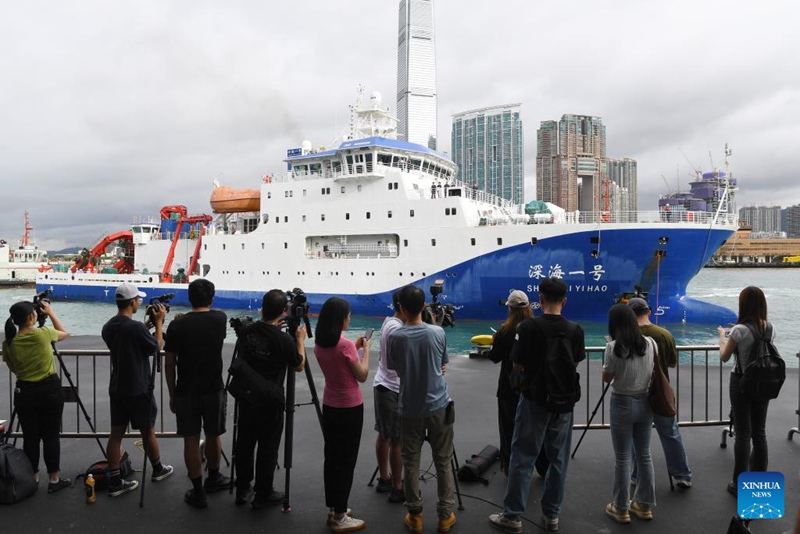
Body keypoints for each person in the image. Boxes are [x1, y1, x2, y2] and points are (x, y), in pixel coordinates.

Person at [489, 277, 585, 533]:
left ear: (540, 300)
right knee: (558, 459)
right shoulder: (576, 329)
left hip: (534, 400)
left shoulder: (528, 327)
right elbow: (575, 363)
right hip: (564, 403)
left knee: (522, 456)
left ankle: (512, 516)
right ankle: (552, 515)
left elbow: (517, 365)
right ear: (564, 300)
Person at [388, 284, 456, 534]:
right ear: (424, 306)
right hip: (439, 404)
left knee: (411, 463)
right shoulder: (438, 333)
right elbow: (442, 364)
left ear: (401, 309)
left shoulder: (395, 337)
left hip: (409, 408)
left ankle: (415, 516)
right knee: (443, 462)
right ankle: (445, 516)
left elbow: (395, 369)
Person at [233, 289, 306, 508]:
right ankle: (263, 492)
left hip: (246, 396)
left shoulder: (246, 332)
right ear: (284, 312)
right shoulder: (283, 339)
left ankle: (242, 487)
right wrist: (299, 340)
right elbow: (299, 365)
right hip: (270, 398)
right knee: (267, 446)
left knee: (245, 443)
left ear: (262, 308)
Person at [102, 283, 174, 497]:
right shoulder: (135, 328)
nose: (140, 302)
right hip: (139, 387)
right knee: (147, 431)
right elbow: (157, 346)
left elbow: (128, 339)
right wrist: (159, 323)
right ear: (132, 302)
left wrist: (147, 326)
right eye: (138, 300)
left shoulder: (108, 327)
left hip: (117, 387)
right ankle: (158, 469)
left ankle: (115, 480)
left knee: (116, 435)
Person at [164, 279, 230, 508]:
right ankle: (214, 477)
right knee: (214, 434)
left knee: (191, 439)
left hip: (186, 390)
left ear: (189, 298)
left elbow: (170, 362)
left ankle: (198, 491)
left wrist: (172, 393)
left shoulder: (177, 326)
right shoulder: (220, 319)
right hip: (213, 388)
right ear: (212, 298)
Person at [314, 297, 370, 533]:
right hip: (350, 408)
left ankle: (334, 508)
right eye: (347, 315)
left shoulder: (320, 343)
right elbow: (362, 375)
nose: (350, 318)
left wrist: (355, 348)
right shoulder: (344, 345)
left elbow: (338, 362)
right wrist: (365, 350)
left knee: (333, 458)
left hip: (331, 405)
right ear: (340, 318)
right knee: (347, 460)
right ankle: (340, 515)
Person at [2, 300, 71, 493]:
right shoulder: (43, 333)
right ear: (32, 317)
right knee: (50, 436)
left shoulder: (8, 343)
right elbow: (64, 333)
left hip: (24, 392)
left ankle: (32, 478)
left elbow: (14, 368)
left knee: (30, 437)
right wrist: (50, 312)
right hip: (49, 390)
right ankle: (54, 480)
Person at [627, 297, 692, 488]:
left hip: (634, 392)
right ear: (649, 312)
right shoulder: (664, 334)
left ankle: (636, 474)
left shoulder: (626, 336)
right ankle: (682, 475)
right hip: (661, 392)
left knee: (636, 435)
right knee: (670, 433)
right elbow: (672, 362)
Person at [718, 286, 775, 496]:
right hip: (764, 382)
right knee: (759, 432)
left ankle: (738, 483)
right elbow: (758, 343)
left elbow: (724, 356)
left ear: (744, 305)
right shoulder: (770, 327)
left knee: (743, 434)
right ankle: (759, 481)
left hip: (741, 382)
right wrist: (737, 332)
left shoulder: (739, 331)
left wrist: (723, 336)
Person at [602, 303, 656, 524]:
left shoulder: (613, 347)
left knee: (623, 458)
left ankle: (621, 507)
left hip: (622, 403)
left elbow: (607, 377)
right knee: (644, 454)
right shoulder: (650, 343)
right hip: (646, 402)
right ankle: (643, 505)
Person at [488, 290, 537, 475]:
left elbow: (494, 357)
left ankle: (509, 465)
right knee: (532, 427)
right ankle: (532, 464)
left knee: (508, 426)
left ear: (510, 308)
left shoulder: (504, 330)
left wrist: (494, 341)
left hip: (508, 387)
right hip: (532, 385)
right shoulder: (536, 327)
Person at [372, 291, 404, 503]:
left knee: (385, 435)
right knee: (396, 439)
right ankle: (397, 487)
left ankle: (385, 477)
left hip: (385, 385)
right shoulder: (396, 329)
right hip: (391, 387)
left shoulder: (390, 322)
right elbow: (399, 363)